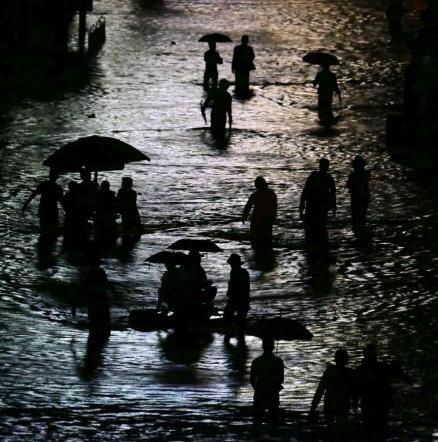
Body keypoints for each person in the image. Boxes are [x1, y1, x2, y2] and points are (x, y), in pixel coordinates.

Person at [308, 348, 355, 441]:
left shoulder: (330, 371)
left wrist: (313, 407)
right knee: (342, 430)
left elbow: (320, 389)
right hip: (342, 405)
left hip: (332, 404)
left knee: (331, 430)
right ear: (347, 360)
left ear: (335, 359)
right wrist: (354, 404)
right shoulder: (350, 373)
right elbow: (354, 391)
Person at [354, 344, 395, 437]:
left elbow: (356, 388)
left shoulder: (362, 369)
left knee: (372, 428)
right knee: (378, 427)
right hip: (377, 403)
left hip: (374, 403)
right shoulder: (382, 367)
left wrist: (355, 402)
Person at [299, 158, 336, 244]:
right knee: (319, 230)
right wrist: (333, 207)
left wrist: (301, 207)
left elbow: (305, 191)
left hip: (316, 207)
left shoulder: (316, 176)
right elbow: (333, 195)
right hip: (317, 208)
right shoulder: (327, 178)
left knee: (313, 231)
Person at [250, 335, 284, 425]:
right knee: (273, 421)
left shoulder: (256, 362)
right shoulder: (278, 362)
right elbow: (281, 380)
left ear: (262, 347)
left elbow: (252, 380)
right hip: (273, 393)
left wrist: (258, 389)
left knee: (257, 420)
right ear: (273, 347)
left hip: (260, 393)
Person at [22, 169, 64, 237]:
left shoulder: (43, 184)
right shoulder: (58, 188)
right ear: (57, 178)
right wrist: (68, 212)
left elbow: (34, 194)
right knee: (53, 231)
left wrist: (25, 204)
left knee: (43, 229)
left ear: (49, 176)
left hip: (43, 209)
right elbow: (62, 202)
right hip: (53, 211)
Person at [223, 253, 250, 341]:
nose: (231, 265)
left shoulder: (236, 272)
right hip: (241, 299)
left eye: (231, 264)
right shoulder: (241, 272)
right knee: (240, 320)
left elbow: (235, 287)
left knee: (228, 315)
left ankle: (231, 333)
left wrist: (230, 294)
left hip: (238, 299)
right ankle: (238, 335)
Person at [242, 176, 277, 243]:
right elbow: (248, 206)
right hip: (262, 220)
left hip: (261, 220)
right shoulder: (271, 194)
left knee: (257, 239)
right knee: (265, 239)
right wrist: (244, 216)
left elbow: (248, 207)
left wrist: (244, 216)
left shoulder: (256, 195)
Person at [346, 155, 370, 226]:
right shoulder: (354, 175)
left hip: (362, 196)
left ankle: (359, 226)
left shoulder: (365, 173)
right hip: (357, 196)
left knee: (360, 214)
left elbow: (349, 184)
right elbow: (348, 184)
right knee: (357, 214)